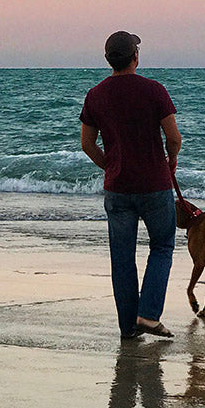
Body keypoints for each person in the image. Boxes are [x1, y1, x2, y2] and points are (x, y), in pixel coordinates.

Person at [80, 31, 182, 339]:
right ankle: (149, 315)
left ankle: (128, 328)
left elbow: (87, 144)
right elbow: (173, 137)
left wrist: (109, 165)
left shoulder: (96, 95)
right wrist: (171, 159)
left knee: (122, 258)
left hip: (118, 188)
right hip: (154, 184)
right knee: (162, 246)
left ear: (109, 59)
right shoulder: (154, 90)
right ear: (135, 57)